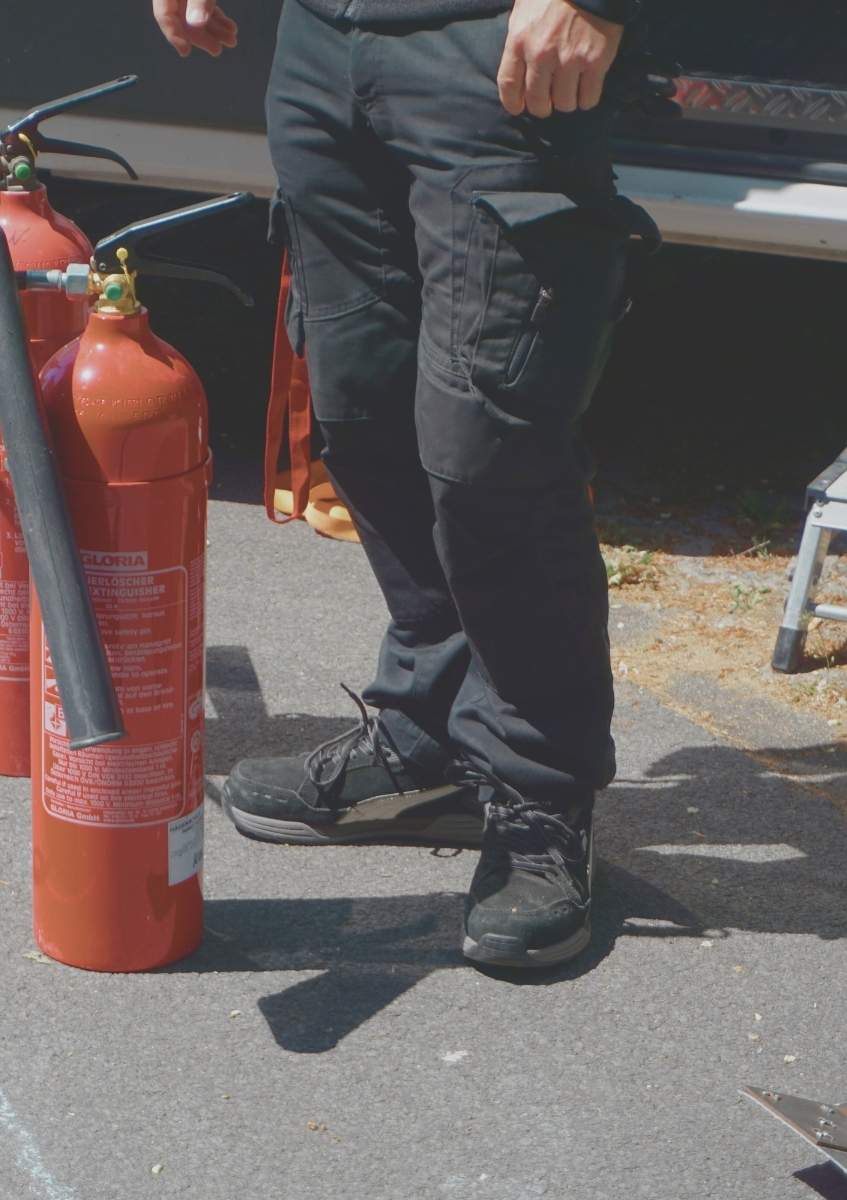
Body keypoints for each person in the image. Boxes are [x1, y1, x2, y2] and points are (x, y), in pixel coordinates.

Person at [152, 0, 661, 969]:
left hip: (489, 46)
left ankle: (538, 787)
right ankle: (434, 737)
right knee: (359, 407)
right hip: (324, 43)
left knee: (490, 448)